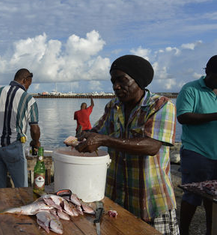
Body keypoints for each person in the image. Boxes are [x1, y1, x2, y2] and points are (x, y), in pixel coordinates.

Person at [76, 55, 179, 235]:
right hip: (118, 200)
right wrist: (83, 136)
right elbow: (97, 132)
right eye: (113, 81)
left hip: (151, 201)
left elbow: (151, 146)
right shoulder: (113, 107)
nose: (116, 86)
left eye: (122, 80)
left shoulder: (161, 106)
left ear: (138, 80)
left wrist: (104, 140)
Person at [0, 68, 41, 189]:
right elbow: (34, 128)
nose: (28, 87)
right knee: (21, 189)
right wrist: (35, 142)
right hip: (14, 147)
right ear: (24, 80)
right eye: (29, 84)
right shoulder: (28, 99)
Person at [176, 55, 217, 235]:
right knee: (192, 196)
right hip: (197, 152)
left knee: (213, 198)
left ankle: (211, 231)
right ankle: (182, 231)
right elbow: (183, 117)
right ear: (207, 71)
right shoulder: (190, 89)